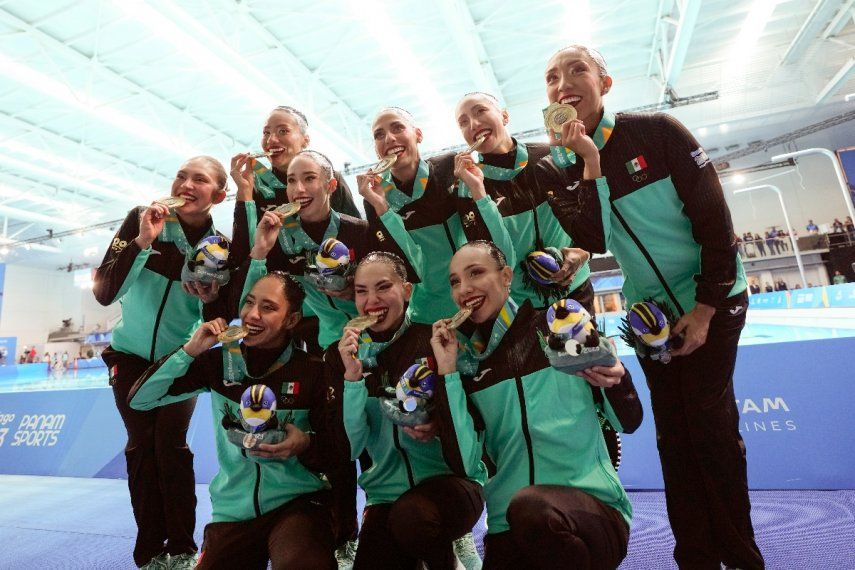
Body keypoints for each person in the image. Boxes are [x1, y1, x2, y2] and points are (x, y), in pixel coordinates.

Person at [543, 45, 763, 569]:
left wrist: (706, 310)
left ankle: (742, 554)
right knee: (674, 438)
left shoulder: (658, 132)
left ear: (606, 81)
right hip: (652, 318)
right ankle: (696, 555)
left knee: (709, 430)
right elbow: (593, 238)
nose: (564, 83)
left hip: (714, 299)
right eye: (552, 77)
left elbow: (715, 222)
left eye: (578, 70)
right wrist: (589, 163)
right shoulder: (562, 162)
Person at [431, 241, 638, 569]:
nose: (464, 289)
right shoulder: (468, 364)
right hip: (508, 525)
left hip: (591, 512)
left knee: (532, 509)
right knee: (525, 512)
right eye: (455, 281)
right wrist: (448, 373)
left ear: (507, 276)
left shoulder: (559, 328)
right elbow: (464, 464)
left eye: (476, 273)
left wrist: (618, 379)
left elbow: (629, 419)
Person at [129, 272, 339, 570]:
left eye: (268, 307)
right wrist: (190, 351)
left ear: (291, 320)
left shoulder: (312, 372)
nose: (252, 315)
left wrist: (305, 443)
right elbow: (140, 399)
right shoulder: (218, 364)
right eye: (249, 303)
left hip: (298, 505)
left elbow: (336, 453)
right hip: (233, 512)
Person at [93, 156, 229, 570]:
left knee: (171, 445)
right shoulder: (142, 218)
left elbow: (217, 316)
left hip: (179, 359)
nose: (187, 184)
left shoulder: (220, 245)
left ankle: (183, 548)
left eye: (200, 180)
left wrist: (210, 300)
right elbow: (104, 292)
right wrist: (142, 241)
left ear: (219, 195)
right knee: (141, 444)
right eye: (182, 175)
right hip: (129, 356)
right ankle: (150, 549)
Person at [329, 252, 486, 569]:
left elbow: (471, 451)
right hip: (386, 498)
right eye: (361, 291)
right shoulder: (342, 355)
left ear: (407, 290)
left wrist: (440, 421)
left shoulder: (437, 342)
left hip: (452, 488)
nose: (372, 300)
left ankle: (448, 561)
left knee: (413, 520)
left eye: (383, 287)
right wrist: (352, 379)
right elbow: (351, 448)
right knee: (398, 528)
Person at [235, 150, 421, 351]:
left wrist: (356, 293)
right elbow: (247, 304)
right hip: (332, 344)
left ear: (331, 186)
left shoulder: (359, 230)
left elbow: (409, 274)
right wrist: (260, 251)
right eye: (291, 180)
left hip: (385, 338)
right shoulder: (278, 238)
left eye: (309, 179)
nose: (299, 189)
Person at [450, 92, 594, 310]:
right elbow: (496, 260)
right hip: (522, 307)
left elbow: (589, 215)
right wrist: (479, 192)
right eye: (463, 122)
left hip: (576, 290)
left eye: (481, 111)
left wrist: (585, 251)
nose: (474, 123)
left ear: (505, 116)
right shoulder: (466, 187)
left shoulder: (550, 156)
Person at [358, 107, 461, 324]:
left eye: (398, 127)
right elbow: (406, 268)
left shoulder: (448, 168)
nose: (389, 138)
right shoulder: (373, 196)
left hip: (471, 300)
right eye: (379, 135)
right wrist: (381, 206)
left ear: (418, 134)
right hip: (425, 315)